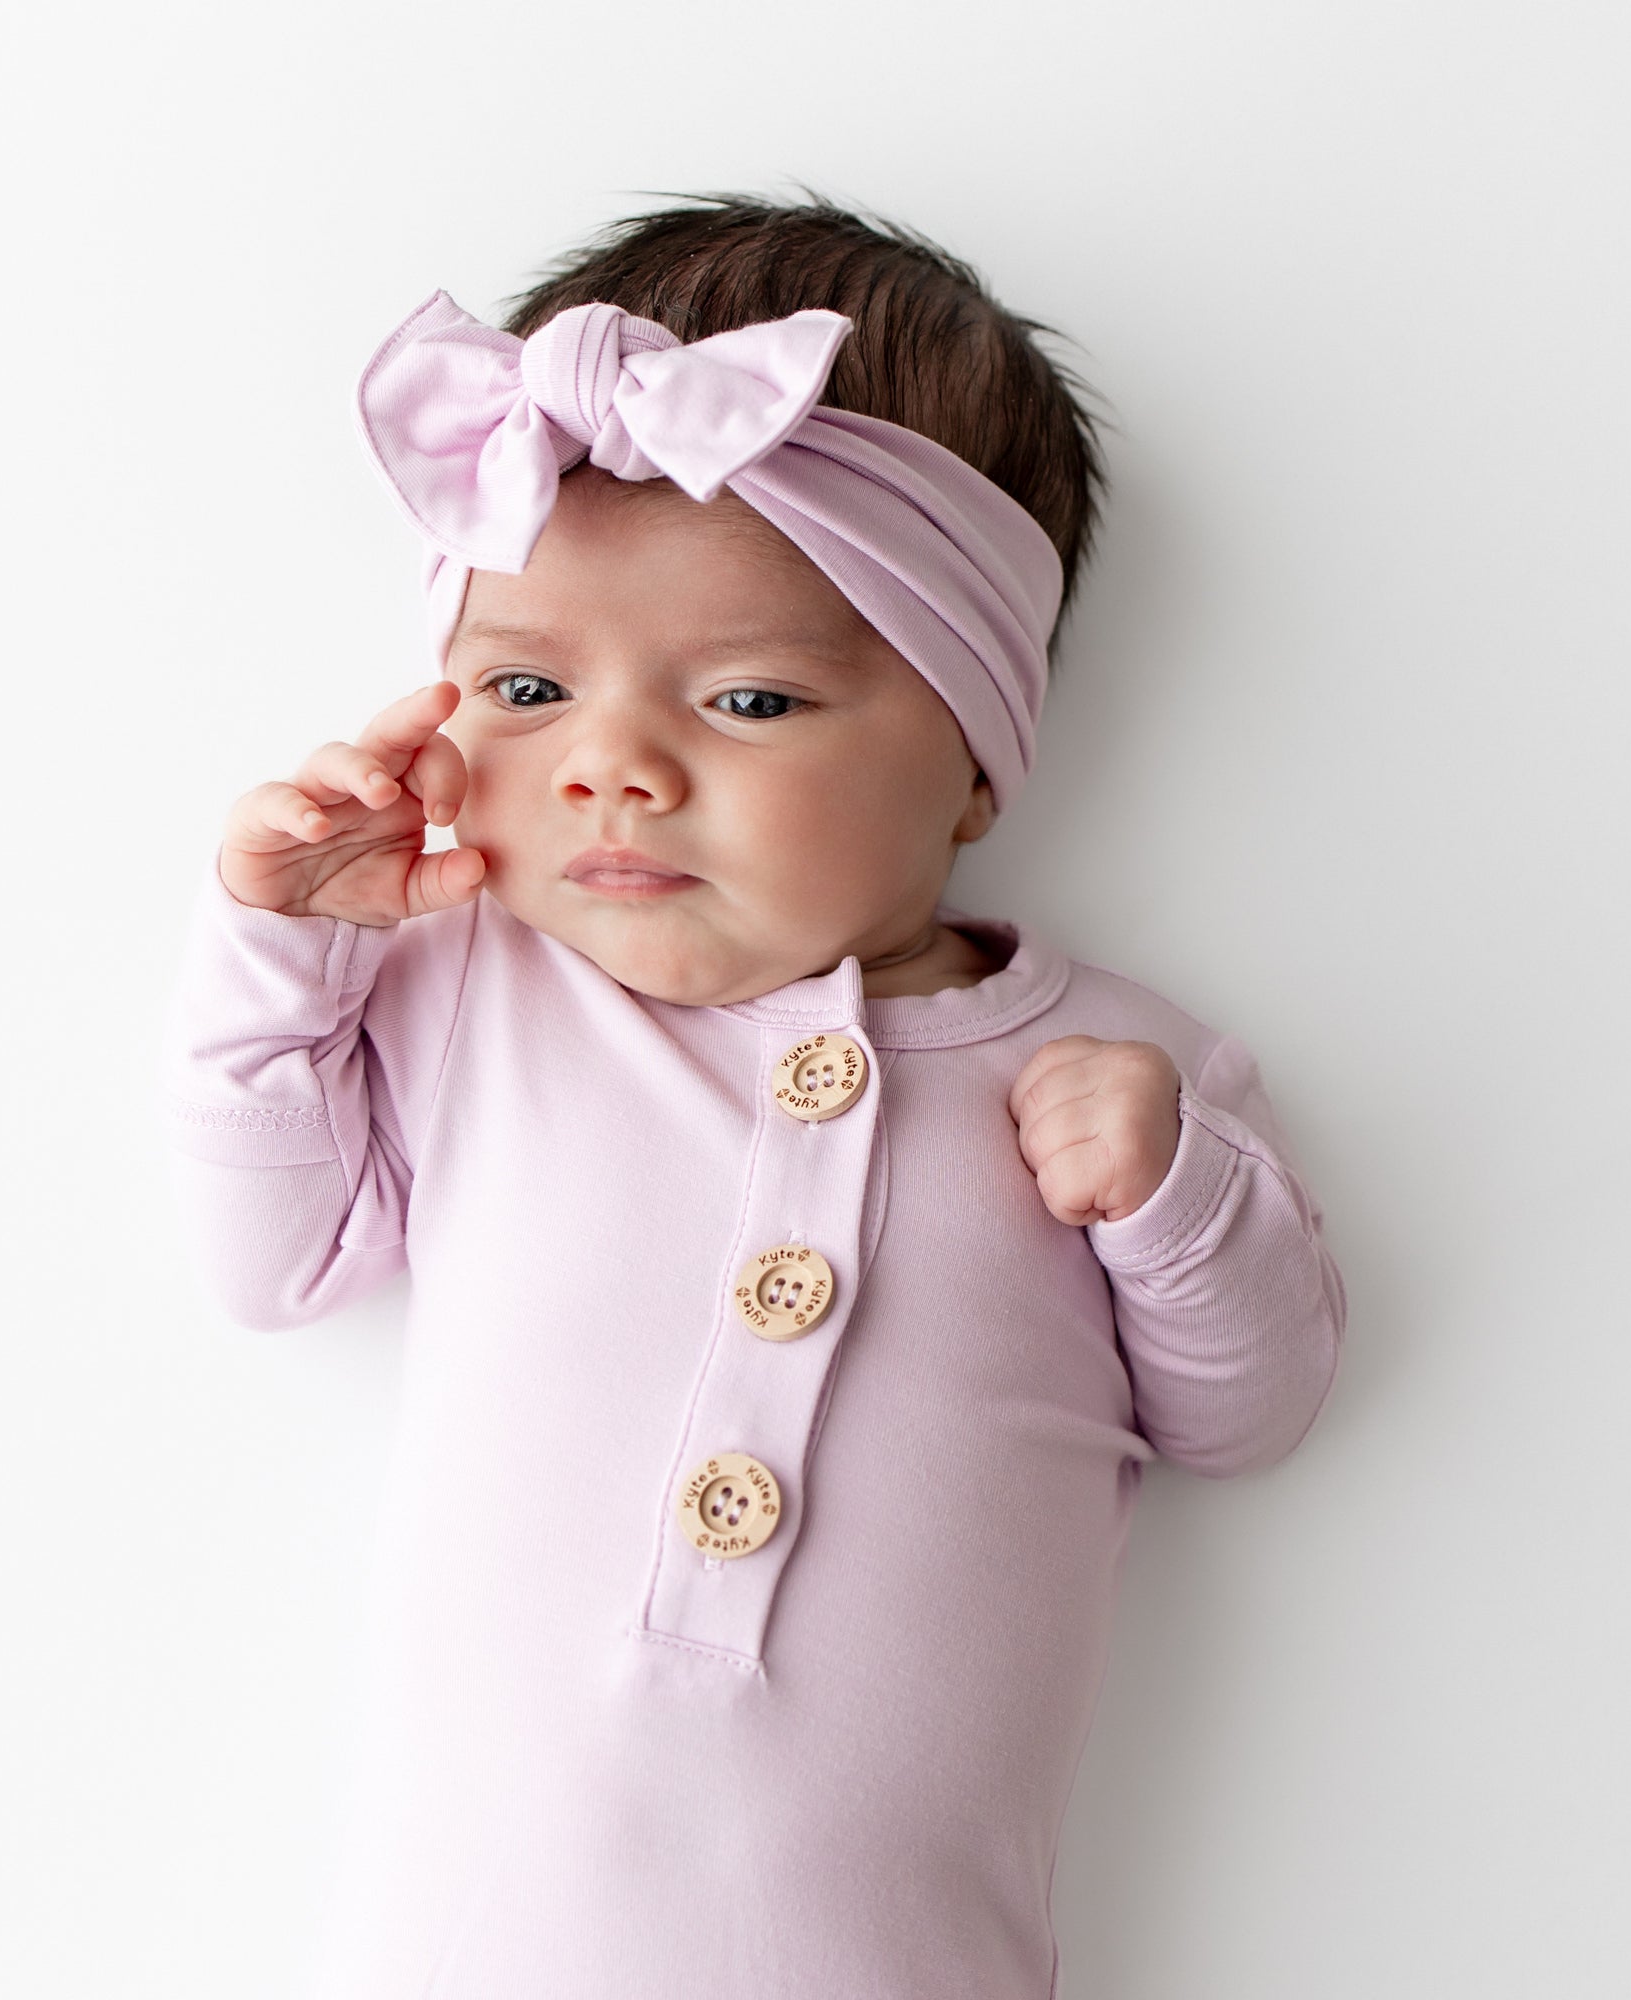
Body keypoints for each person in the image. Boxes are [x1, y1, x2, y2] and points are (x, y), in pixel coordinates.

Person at [159, 192, 1347, 2000]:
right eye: (530, 687)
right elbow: (276, 1259)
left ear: (972, 757)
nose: (614, 769)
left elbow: (1248, 1411)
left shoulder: (1118, 1064)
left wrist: (1175, 1200)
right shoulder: (481, 987)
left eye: (752, 701)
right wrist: (276, 945)